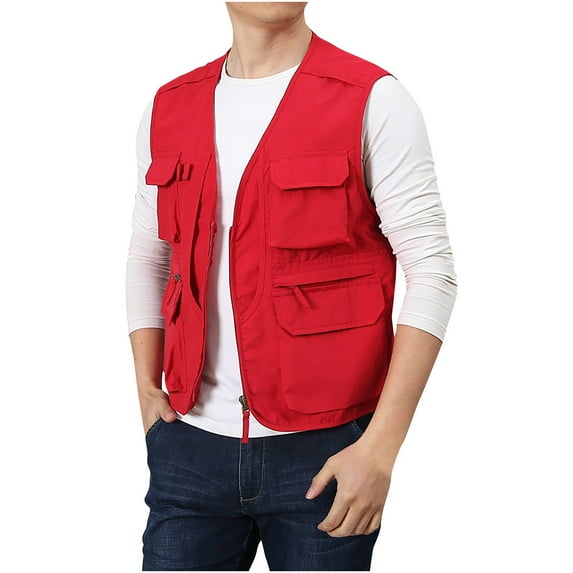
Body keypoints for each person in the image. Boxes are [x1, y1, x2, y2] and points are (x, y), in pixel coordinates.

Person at [126, 2, 457, 570]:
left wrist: (380, 449)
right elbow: (149, 257)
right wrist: (145, 389)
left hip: (329, 452)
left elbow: (432, 271)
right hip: (188, 445)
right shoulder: (169, 106)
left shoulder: (373, 99)